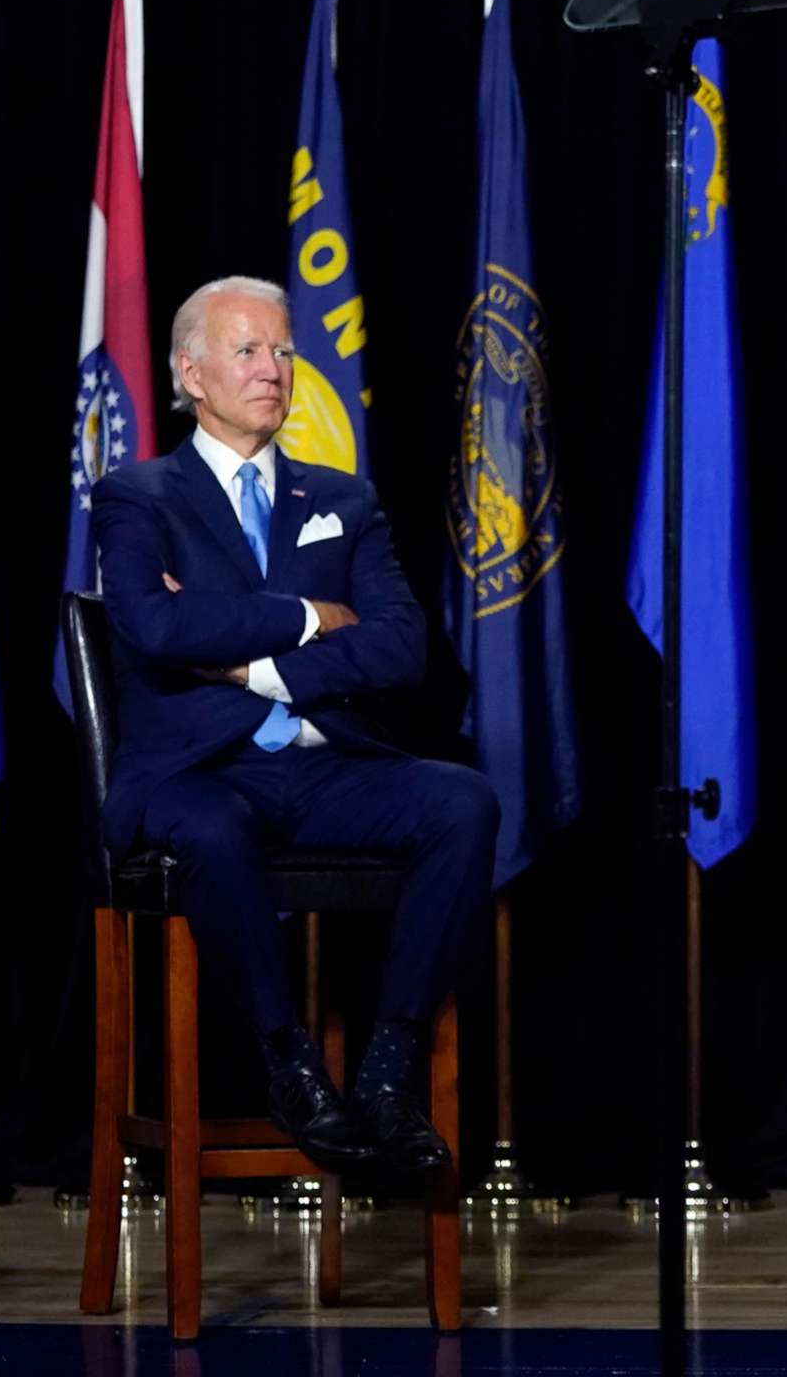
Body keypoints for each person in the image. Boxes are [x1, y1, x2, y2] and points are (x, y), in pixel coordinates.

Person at [91, 275, 498, 1175]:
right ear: (191, 374)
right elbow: (156, 629)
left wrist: (246, 659)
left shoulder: (343, 499)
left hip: (323, 767)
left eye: (282, 351)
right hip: (196, 774)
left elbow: (400, 648)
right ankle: (292, 1066)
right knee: (215, 827)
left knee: (462, 804)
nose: (273, 370)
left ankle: (387, 1073)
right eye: (248, 351)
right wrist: (313, 615)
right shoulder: (137, 495)